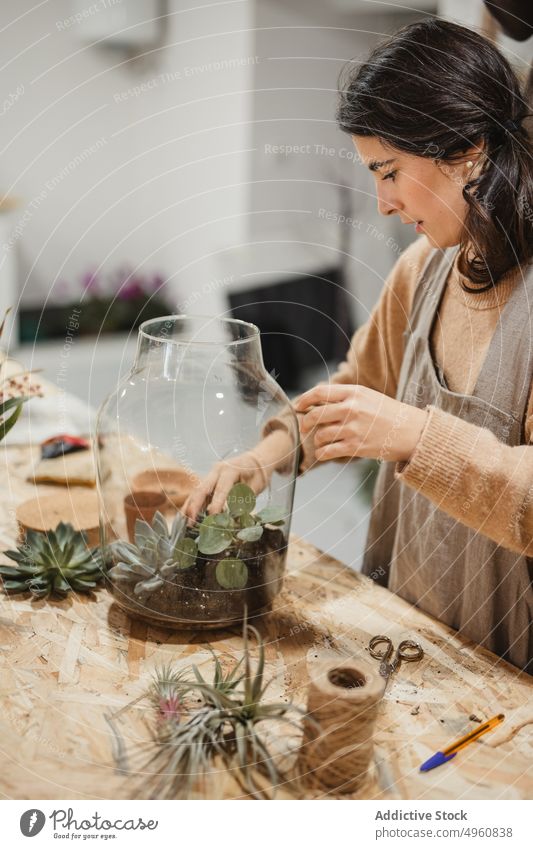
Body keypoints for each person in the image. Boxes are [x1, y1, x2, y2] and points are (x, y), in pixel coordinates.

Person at [184, 19, 533, 674]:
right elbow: (358, 388)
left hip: (509, 671)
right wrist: (264, 457)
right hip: (413, 626)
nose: (381, 204)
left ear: (467, 151)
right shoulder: (422, 270)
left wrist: (414, 435)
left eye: (390, 172)